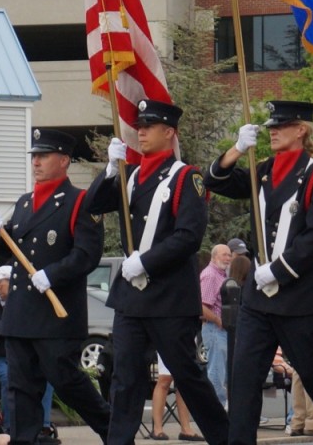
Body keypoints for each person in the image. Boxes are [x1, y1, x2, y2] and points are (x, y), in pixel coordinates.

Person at [205, 100, 313, 445]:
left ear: (301, 130)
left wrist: (279, 270)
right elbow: (217, 181)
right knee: (244, 378)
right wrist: (237, 149)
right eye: (271, 126)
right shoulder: (264, 169)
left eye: (280, 126)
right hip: (258, 300)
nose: (272, 131)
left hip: (297, 296)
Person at [91, 99, 229, 445]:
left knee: (187, 375)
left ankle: (226, 438)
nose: (140, 131)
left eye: (149, 126)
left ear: (169, 132)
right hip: (132, 297)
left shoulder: (187, 177)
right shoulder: (132, 175)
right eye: (139, 126)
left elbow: (188, 236)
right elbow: (94, 206)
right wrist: (109, 170)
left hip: (169, 297)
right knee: (125, 378)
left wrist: (146, 261)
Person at [0, 128, 110, 445]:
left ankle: (112, 429)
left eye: (43, 156)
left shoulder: (81, 200)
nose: (35, 162)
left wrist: (53, 273)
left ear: (64, 160)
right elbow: (9, 252)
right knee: (21, 388)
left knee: (65, 381)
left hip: (55, 311)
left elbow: (87, 254)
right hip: (21, 312)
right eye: (34, 157)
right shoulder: (25, 203)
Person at [0, 265, 58, 443]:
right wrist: (8, 326)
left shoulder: (17, 299)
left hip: (16, 354)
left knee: (45, 377)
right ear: (0, 283)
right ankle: (10, 426)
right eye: (12, 283)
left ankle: (43, 426)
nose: (17, 287)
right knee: (10, 378)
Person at [199, 244, 232, 408]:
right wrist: (220, 321)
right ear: (214, 256)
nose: (228, 258)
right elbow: (202, 306)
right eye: (224, 255)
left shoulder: (223, 274)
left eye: (229, 255)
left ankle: (228, 408)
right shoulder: (210, 275)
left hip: (223, 331)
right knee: (216, 372)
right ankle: (217, 408)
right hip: (214, 330)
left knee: (225, 372)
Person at [150, 354, 204, 441]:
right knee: (165, 378)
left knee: (184, 380)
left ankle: (186, 429)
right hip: (166, 342)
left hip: (185, 342)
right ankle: (157, 429)